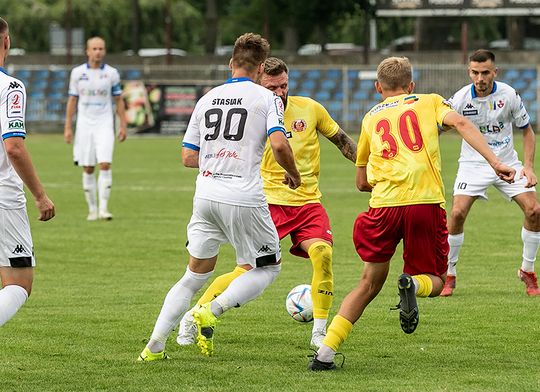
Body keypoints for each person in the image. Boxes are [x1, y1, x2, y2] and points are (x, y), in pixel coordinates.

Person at [308, 56, 516, 371]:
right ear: (411, 85)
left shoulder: (369, 118)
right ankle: (411, 285)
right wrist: (495, 162)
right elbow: (460, 123)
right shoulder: (430, 101)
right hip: (424, 203)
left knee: (368, 282)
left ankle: (324, 354)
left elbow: (361, 180)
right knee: (436, 278)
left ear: (378, 87)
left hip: (383, 208)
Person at [138, 33, 301, 361]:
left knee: (193, 276)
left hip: (206, 195)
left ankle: (154, 345)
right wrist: (294, 174)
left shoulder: (208, 98)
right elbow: (280, 145)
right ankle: (211, 310)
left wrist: (218, 157)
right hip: (242, 196)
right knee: (268, 267)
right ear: (259, 69)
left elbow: (187, 156)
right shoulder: (266, 99)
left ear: (231, 64)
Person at [176, 57, 357, 349]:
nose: (279, 92)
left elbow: (342, 140)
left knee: (322, 253)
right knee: (247, 269)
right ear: (260, 83)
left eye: (283, 85)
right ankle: (194, 316)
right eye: (272, 87)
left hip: (309, 204)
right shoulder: (256, 110)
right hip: (267, 203)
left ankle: (319, 331)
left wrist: (369, 167)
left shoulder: (310, 109)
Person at [442, 49, 540, 297]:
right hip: (473, 164)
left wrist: (528, 166)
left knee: (535, 210)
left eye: (485, 72)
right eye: (475, 72)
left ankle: (527, 271)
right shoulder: (461, 99)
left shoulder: (509, 95)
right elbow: (437, 128)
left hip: (507, 162)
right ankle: (449, 273)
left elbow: (527, 131)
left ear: (495, 72)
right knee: (456, 213)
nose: (480, 78)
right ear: (469, 72)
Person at [0, 17, 55, 326]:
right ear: (7, 42)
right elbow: (14, 148)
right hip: (3, 198)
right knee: (19, 284)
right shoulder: (10, 88)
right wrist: (40, 196)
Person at [64, 36, 127, 221]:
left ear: (104, 51)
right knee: (89, 167)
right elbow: (72, 100)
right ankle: (92, 209)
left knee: (105, 163)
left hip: (104, 123)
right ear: (87, 51)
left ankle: (104, 209)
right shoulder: (77, 73)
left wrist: (123, 125)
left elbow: (118, 100)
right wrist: (68, 127)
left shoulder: (112, 73)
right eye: (94, 48)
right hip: (84, 124)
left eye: (101, 48)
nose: (98, 52)